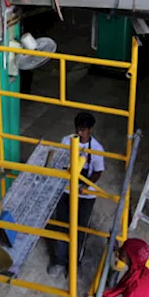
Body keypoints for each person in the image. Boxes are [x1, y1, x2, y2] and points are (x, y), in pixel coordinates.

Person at [48, 112, 105, 275]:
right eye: (78, 129)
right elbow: (60, 160)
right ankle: (59, 261)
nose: (80, 133)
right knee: (62, 225)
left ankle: (73, 263)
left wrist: (84, 185)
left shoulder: (97, 149)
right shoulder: (67, 141)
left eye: (83, 130)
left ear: (90, 129)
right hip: (66, 191)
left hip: (85, 195)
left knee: (79, 229)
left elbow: (98, 172)